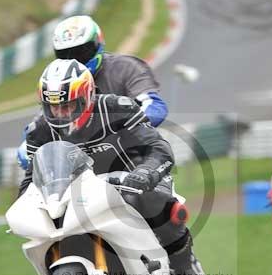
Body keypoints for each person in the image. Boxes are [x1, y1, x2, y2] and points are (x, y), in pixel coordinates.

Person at [18, 57, 210, 275]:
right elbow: (31, 179)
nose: (61, 113)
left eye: (68, 105)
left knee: (160, 206)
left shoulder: (118, 108)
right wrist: (27, 207)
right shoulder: (39, 130)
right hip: (80, 195)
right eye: (54, 107)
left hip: (134, 180)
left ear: (86, 96)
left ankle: (187, 272)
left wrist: (145, 174)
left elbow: (158, 148)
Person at [17, 14, 168, 169]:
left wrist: (125, 128)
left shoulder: (127, 68)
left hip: (132, 159)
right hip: (82, 167)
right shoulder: (59, 80)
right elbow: (44, 122)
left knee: (154, 190)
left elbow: (154, 106)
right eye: (65, 55)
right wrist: (28, 148)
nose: (74, 59)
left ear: (97, 44)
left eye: (81, 51)